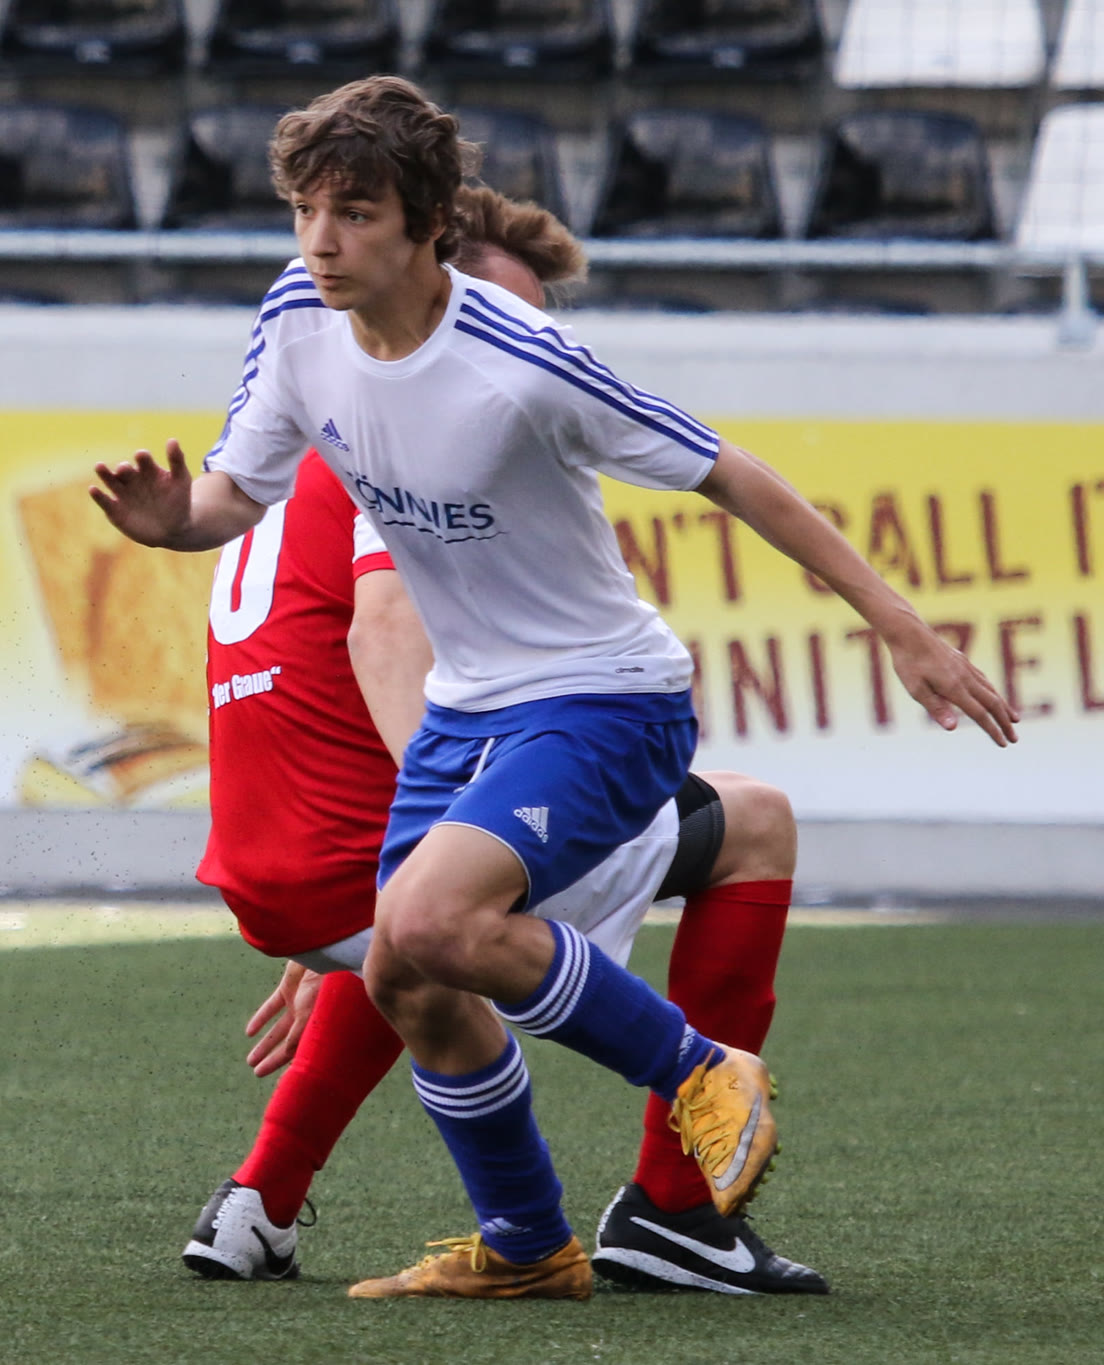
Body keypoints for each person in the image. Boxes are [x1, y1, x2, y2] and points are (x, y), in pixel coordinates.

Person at [91, 76, 1016, 1300]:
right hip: (468, 714)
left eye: (354, 214)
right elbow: (231, 495)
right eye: (305, 211)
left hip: (601, 700)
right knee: (405, 977)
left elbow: (730, 473)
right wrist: (174, 523)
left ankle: (697, 1072)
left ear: (427, 225)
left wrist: (900, 627)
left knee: (431, 924)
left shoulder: (521, 359)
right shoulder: (297, 315)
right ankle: (529, 1249)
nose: (320, 241)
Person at [181, 186, 823, 1298]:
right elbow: (384, 632)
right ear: (434, 285)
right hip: (345, 848)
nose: (521, 344)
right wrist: (424, 849)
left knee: (416, 934)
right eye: (499, 311)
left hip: (272, 857)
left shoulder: (311, 410)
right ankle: (677, 1210)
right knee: (748, 821)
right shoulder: (412, 430)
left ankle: (260, 1201)